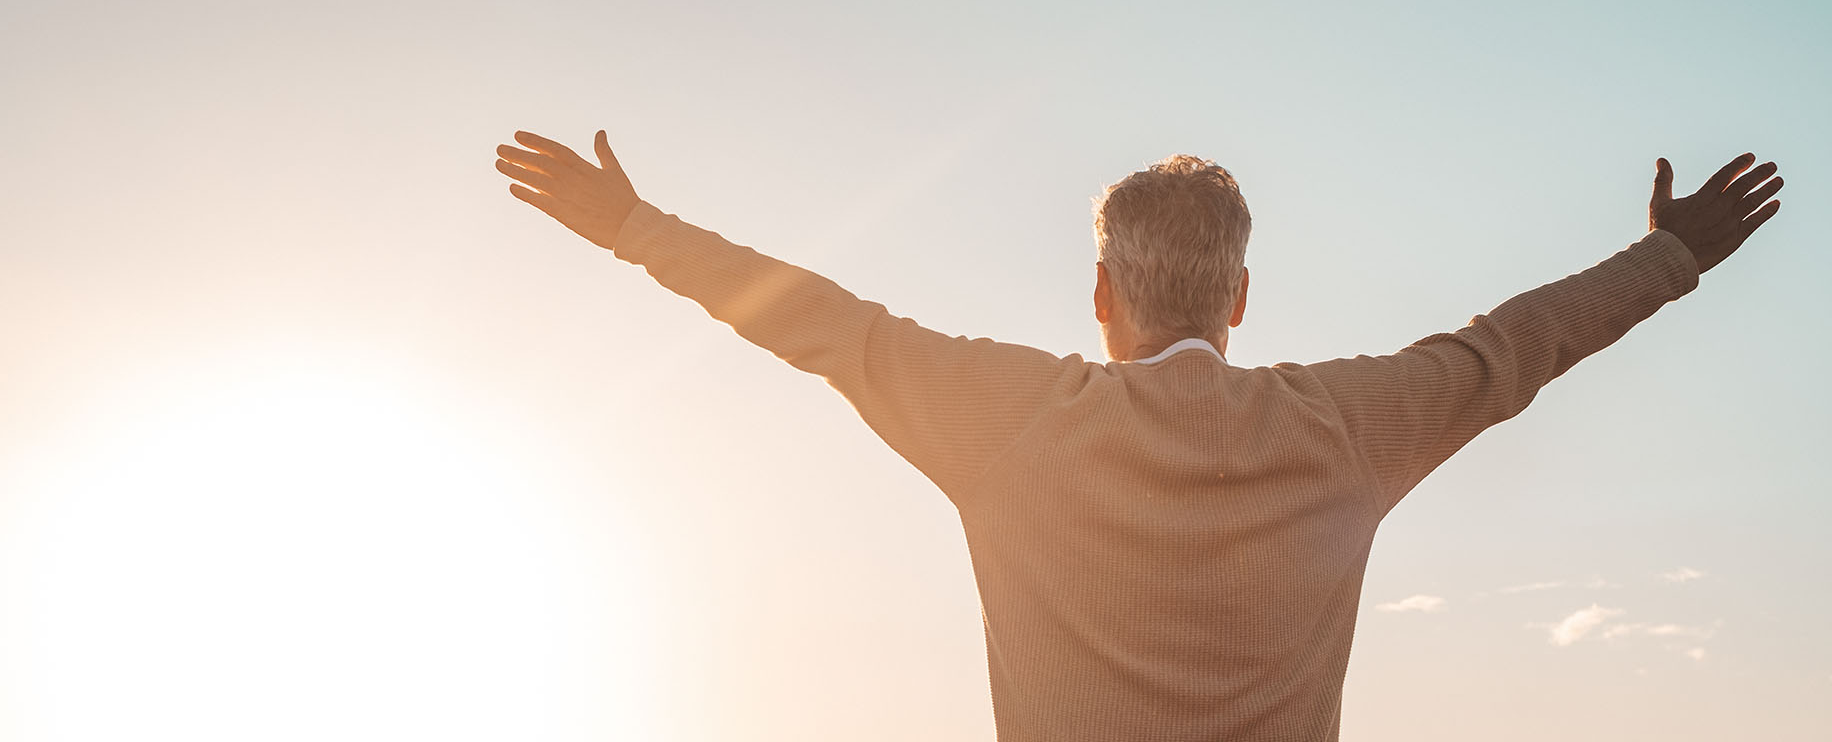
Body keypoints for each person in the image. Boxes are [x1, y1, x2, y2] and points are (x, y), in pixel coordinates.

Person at [493, 131, 1782, 742]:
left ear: (1102, 298)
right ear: (1237, 301)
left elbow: (818, 322)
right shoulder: (1341, 427)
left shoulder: (1007, 422)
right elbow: (1516, 346)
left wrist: (630, 224)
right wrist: (1673, 256)